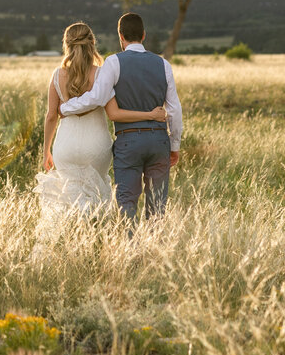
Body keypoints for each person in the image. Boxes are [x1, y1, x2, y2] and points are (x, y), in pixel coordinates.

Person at [35, 22, 166, 226]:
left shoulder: (57, 75)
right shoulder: (101, 74)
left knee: (69, 197)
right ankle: (94, 238)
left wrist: (46, 152)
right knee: (96, 198)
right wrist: (149, 115)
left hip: (65, 145)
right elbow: (114, 113)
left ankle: (70, 239)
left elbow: (51, 115)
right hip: (96, 146)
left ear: (66, 44)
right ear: (92, 43)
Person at [59, 13, 182, 225]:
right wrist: (175, 145)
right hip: (158, 140)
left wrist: (67, 107)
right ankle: (155, 253)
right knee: (157, 205)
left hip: (128, 141)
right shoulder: (163, 64)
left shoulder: (114, 62)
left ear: (120, 36)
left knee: (126, 202)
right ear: (143, 35)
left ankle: (130, 252)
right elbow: (175, 110)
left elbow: (97, 96)